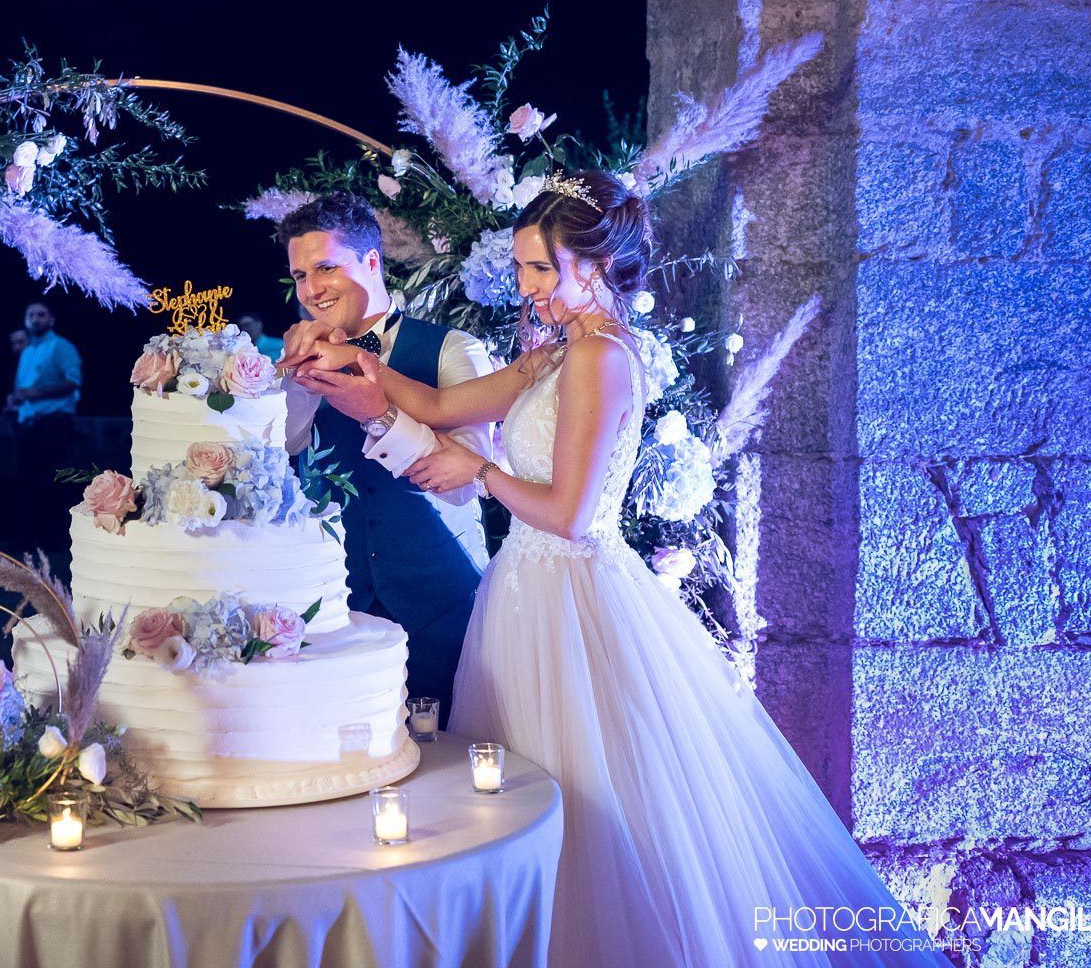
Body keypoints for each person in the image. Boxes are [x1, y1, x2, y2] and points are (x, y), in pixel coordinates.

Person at [297, 171, 948, 967]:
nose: (529, 288)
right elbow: (436, 409)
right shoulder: (554, 356)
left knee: (593, 800)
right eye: (523, 270)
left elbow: (571, 514)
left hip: (577, 600)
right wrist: (345, 362)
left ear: (594, 265)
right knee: (516, 796)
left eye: (542, 269)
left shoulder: (604, 358)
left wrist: (480, 475)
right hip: (522, 594)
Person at [273, 193, 496, 723]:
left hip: (439, 605)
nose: (311, 289)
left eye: (326, 267)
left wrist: (378, 413)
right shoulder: (298, 354)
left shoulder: (451, 350)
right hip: (332, 613)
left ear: (372, 261)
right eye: (300, 275)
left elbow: (468, 482)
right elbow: (279, 453)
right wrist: (300, 382)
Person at [10, 300, 82, 554]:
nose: (36, 319)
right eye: (31, 315)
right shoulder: (28, 352)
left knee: (53, 480)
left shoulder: (61, 347)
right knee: (28, 481)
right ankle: (29, 538)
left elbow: (72, 382)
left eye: (41, 314)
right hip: (29, 423)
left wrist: (35, 393)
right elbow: (24, 387)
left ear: (51, 320)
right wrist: (17, 399)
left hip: (54, 423)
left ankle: (57, 538)